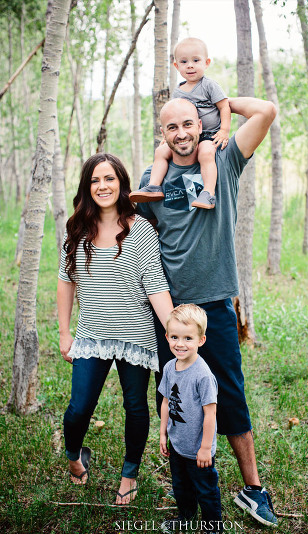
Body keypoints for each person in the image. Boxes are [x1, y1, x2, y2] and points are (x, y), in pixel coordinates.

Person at [135, 96, 279, 527]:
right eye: (170, 128)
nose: (180, 134)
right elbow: (137, 232)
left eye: (187, 123)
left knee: (229, 394)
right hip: (169, 314)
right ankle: (187, 497)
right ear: (161, 134)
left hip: (213, 306)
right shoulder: (152, 180)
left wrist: (225, 102)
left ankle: (253, 489)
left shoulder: (225, 159)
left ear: (201, 123)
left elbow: (267, 111)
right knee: (175, 396)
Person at [57, 153, 174, 504]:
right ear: (86, 186)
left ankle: (129, 474)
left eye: (109, 179)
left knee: (136, 407)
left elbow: (155, 284)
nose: (102, 186)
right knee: (79, 407)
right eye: (95, 180)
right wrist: (65, 332)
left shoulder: (140, 230)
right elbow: (66, 281)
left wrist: (176, 331)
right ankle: (75, 458)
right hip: (92, 335)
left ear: (122, 184)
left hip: (135, 338)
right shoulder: (78, 228)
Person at [130, 37, 230, 210]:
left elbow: (224, 106)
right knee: (161, 151)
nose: (190, 65)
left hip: (207, 135)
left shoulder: (209, 86)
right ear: (176, 66)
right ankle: (154, 186)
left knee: (206, 153)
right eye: (184, 61)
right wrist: (168, 137)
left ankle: (208, 193)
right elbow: (173, 115)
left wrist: (224, 130)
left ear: (206, 63)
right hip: (187, 135)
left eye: (196, 60)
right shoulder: (177, 91)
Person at [159, 304, 222, 533]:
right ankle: (186, 515)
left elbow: (210, 413)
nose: (180, 344)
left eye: (188, 338)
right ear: (167, 336)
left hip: (198, 449)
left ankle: (213, 526)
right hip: (177, 444)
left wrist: (205, 448)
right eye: (174, 337)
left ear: (201, 340)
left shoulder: (203, 375)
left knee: (205, 489)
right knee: (181, 485)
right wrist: (163, 434)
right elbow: (166, 401)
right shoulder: (168, 368)